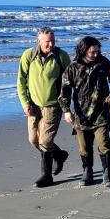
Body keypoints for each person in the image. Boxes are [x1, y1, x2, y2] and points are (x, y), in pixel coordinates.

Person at [59, 36, 110, 187]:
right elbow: (64, 91)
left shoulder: (103, 62)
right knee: (84, 147)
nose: (96, 54)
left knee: (104, 143)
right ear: (83, 51)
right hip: (81, 115)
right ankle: (87, 172)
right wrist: (66, 111)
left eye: (98, 51)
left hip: (101, 112)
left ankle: (107, 173)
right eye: (92, 52)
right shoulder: (72, 68)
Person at [17, 26, 72, 188]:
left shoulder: (61, 56)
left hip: (53, 106)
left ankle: (46, 176)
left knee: (45, 141)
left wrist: (66, 106)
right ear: (38, 41)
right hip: (33, 106)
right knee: (33, 140)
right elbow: (20, 82)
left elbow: (68, 82)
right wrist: (26, 104)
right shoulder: (28, 55)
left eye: (53, 41)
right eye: (47, 42)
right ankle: (59, 155)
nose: (50, 45)